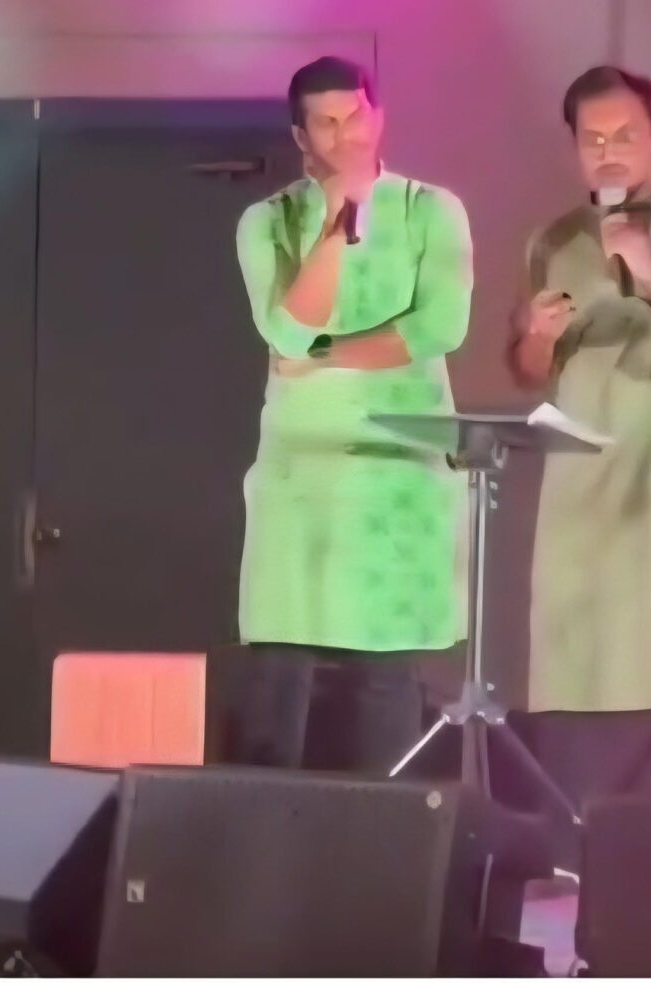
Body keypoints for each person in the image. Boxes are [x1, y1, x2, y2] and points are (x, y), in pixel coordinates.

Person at [232, 56, 474, 774]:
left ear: (379, 117)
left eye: (356, 117)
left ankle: (385, 837)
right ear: (301, 137)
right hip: (301, 485)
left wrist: (324, 355)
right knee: (282, 680)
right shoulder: (267, 222)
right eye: (327, 124)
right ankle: (269, 835)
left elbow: (440, 327)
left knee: (387, 687)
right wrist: (335, 230)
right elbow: (286, 331)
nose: (346, 136)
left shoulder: (432, 210)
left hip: (399, 480)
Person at [509, 66, 651, 793]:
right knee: (576, 661)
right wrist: (538, 338)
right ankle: (577, 832)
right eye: (594, 139)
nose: (609, 152)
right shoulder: (554, 240)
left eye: (625, 135)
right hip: (580, 482)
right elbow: (528, 371)